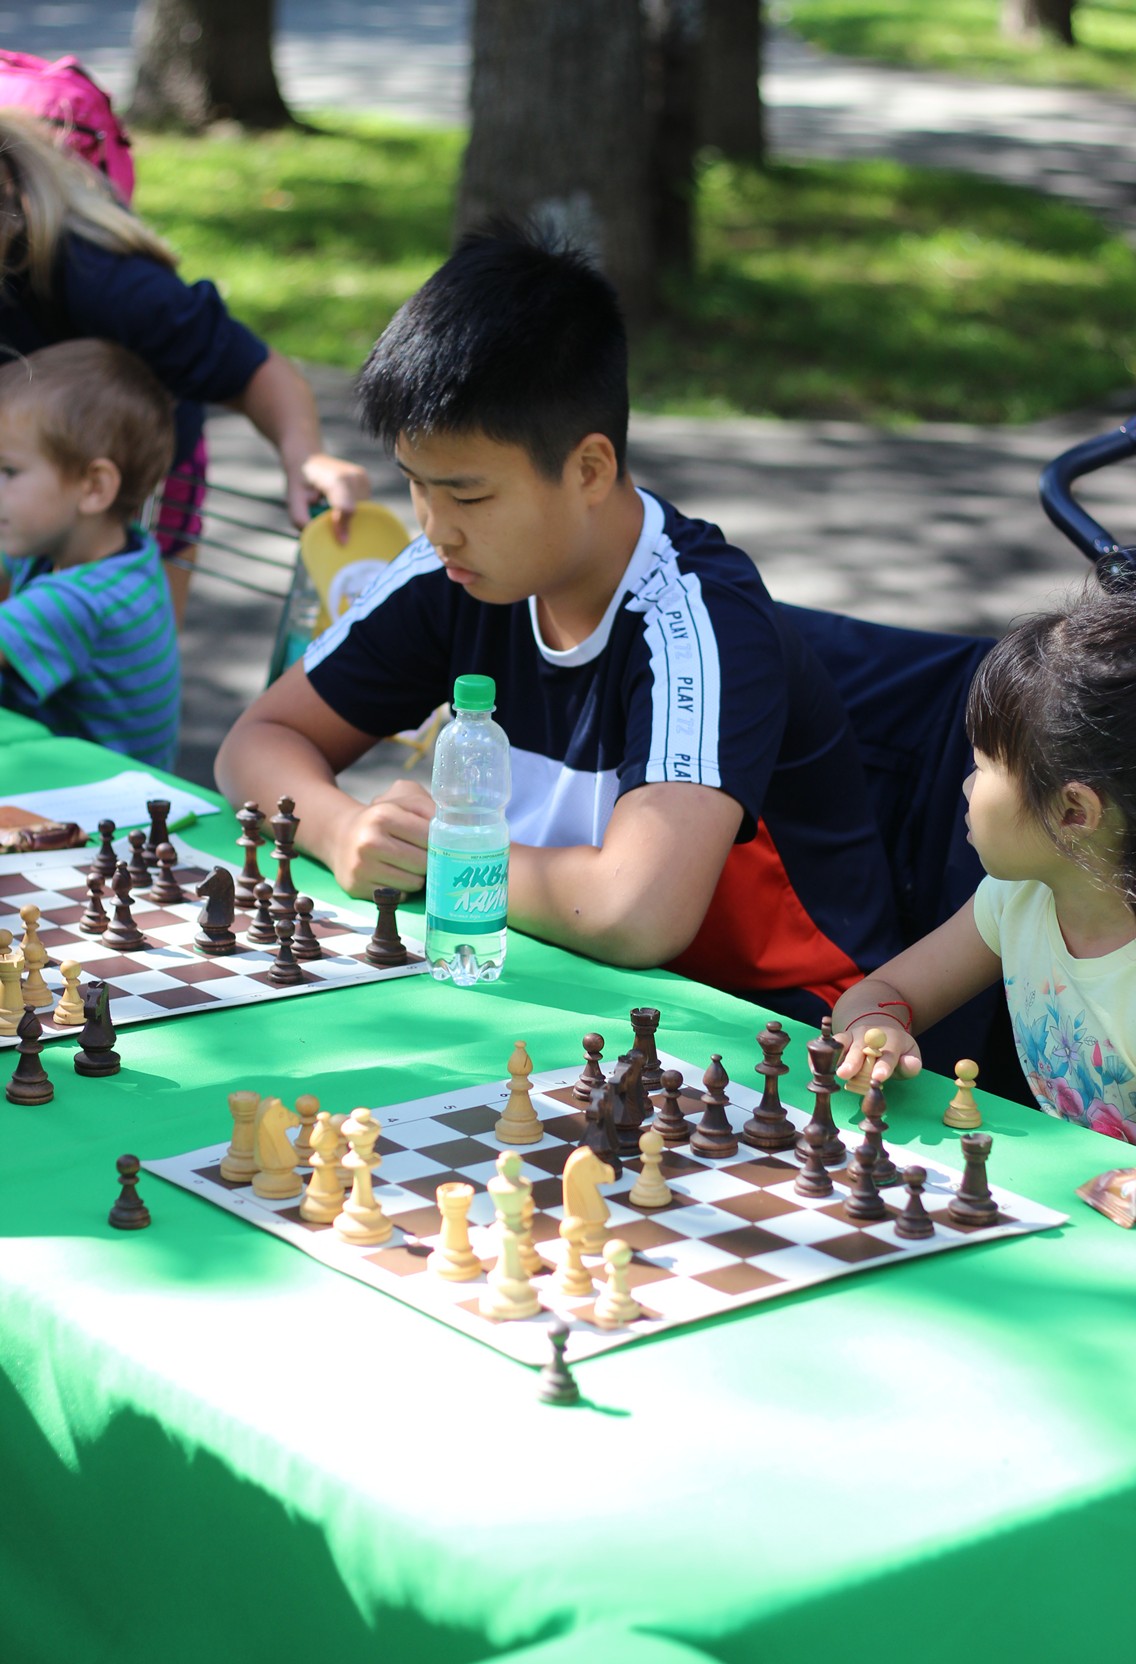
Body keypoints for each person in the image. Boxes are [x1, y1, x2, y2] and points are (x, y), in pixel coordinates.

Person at [216, 222, 901, 1018]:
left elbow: (635, 909)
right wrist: (342, 834)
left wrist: (446, 858)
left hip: (772, 1031)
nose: (436, 525)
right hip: (550, 978)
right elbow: (257, 743)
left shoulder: (700, 618)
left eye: (468, 496)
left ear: (589, 469)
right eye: (416, 485)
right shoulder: (451, 571)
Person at [0, 107, 370, 622]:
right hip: (20, 452)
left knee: (123, 651)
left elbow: (251, 368)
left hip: (142, 473)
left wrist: (304, 453)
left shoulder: (110, 285)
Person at [832, 589, 1136, 1141]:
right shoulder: (1016, 897)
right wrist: (875, 1027)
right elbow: (884, 991)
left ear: (1073, 811)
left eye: (983, 764)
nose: (966, 785)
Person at [0, 338, 180, 768]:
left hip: (107, 815)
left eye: (8, 471)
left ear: (94, 487)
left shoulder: (77, 602)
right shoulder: (121, 552)